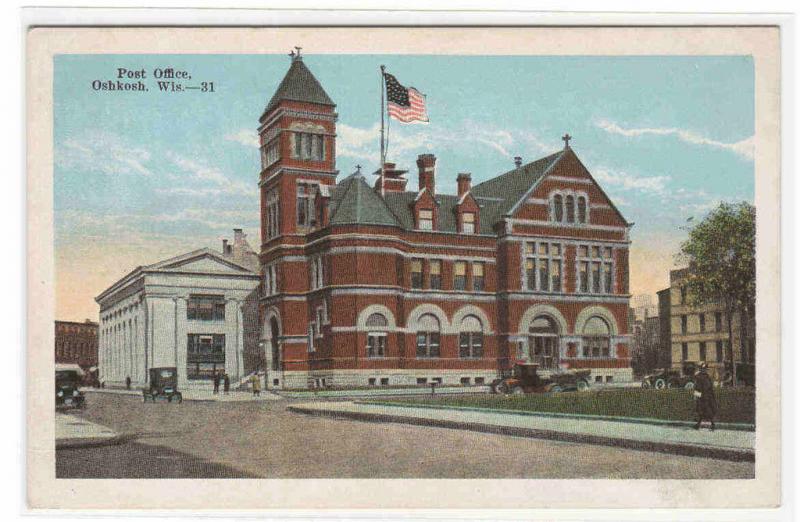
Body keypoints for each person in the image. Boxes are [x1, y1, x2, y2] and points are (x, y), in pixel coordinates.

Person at [693, 361, 718, 430]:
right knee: (703, 411)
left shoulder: (700, 377)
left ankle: (711, 425)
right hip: (707, 396)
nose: (704, 370)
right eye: (703, 369)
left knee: (704, 410)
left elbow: (697, 387)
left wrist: (696, 397)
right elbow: (708, 386)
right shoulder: (705, 376)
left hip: (704, 397)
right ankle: (699, 424)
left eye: (704, 369)